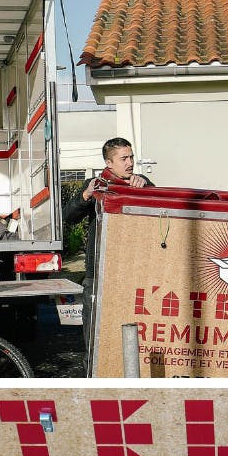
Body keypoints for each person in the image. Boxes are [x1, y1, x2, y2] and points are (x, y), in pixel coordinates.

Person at [63, 137, 154, 351]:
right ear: (109, 163)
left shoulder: (140, 183)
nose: (130, 163)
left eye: (131, 157)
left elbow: (156, 211)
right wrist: (85, 195)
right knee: (95, 334)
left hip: (131, 274)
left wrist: (146, 188)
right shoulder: (95, 185)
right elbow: (69, 217)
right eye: (124, 158)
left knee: (132, 330)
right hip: (98, 275)